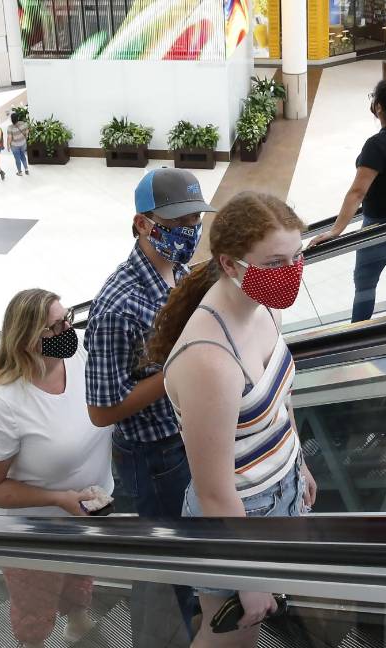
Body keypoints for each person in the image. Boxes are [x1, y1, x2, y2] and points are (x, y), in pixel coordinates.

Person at [147, 192, 316, 648]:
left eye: (297, 256)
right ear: (230, 264)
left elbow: (280, 400)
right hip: (240, 515)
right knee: (231, 640)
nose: (292, 271)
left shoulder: (263, 307)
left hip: (280, 493)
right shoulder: (209, 359)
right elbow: (214, 490)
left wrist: (298, 463)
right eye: (276, 261)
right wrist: (248, 574)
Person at [84, 167, 215, 647]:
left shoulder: (179, 273)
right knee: (163, 567)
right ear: (142, 223)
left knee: (187, 551)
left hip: (183, 438)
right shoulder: (116, 306)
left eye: (194, 221)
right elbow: (101, 410)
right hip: (151, 457)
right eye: (176, 223)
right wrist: (178, 370)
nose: (189, 232)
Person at [0, 289, 112, 648]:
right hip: (33, 530)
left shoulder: (80, 355)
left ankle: (78, 624)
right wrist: (59, 499)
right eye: (55, 327)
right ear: (27, 340)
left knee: (79, 576)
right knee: (35, 604)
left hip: (85, 512)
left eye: (68, 319)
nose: (68, 330)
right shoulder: (1, 404)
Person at [308, 77, 386, 323]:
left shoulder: (377, 145)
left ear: (379, 107)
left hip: (380, 226)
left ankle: (359, 332)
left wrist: (336, 231)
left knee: (365, 283)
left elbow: (357, 192)